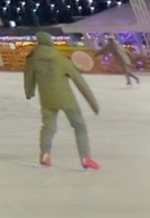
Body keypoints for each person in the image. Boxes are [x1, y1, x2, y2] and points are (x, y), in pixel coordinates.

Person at [24, 31, 100, 169]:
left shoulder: (33, 59)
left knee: (48, 127)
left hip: (47, 99)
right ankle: (85, 157)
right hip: (66, 99)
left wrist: (29, 92)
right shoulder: (59, 58)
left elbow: (28, 77)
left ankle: (45, 155)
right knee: (79, 127)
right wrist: (93, 103)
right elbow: (79, 81)